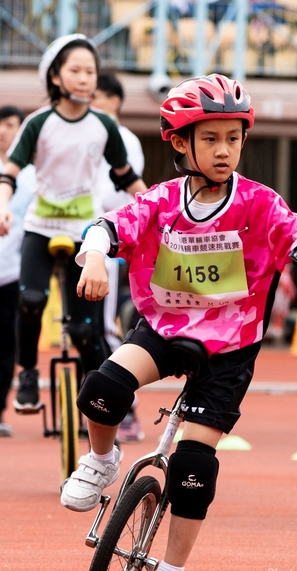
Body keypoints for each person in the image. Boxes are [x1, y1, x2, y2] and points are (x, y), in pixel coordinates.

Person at [60, 74, 297, 571]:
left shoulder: (258, 203)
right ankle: (102, 460)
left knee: (193, 465)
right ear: (181, 142)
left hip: (230, 346)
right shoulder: (161, 201)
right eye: (210, 139)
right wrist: (94, 257)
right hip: (165, 329)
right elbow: (107, 227)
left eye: (233, 138)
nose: (224, 149)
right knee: (102, 388)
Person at [0, 33, 146, 412]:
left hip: (86, 234)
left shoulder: (103, 125)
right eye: (75, 71)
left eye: (90, 72)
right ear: (55, 76)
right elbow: (9, 173)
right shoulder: (39, 123)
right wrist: (3, 204)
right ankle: (28, 373)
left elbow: (126, 177)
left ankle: (102, 393)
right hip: (40, 227)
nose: (84, 79)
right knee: (30, 300)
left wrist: (157, 214)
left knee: (84, 330)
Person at [91, 72, 145, 442]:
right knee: (77, 328)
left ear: (115, 100)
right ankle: (92, 405)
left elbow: (124, 192)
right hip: (74, 235)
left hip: (108, 238)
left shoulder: (124, 139)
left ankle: (126, 409)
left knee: (103, 327)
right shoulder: (82, 133)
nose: (89, 102)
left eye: (96, 95)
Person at [0, 106, 36, 436]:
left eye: (10, 125)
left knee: (5, 343)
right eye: (0, 125)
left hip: (12, 272)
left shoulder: (31, 176)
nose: (3, 131)